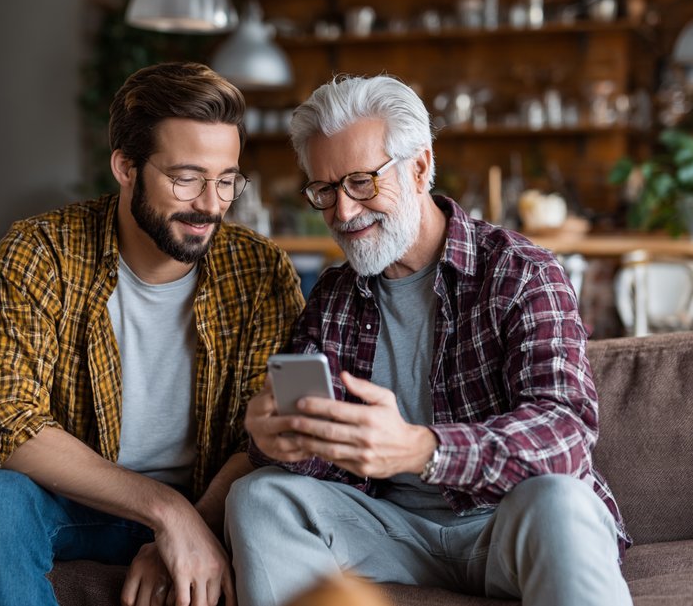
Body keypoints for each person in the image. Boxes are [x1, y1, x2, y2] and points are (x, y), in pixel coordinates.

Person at [225, 74, 633, 606]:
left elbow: (565, 433)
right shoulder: (333, 295)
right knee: (258, 497)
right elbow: (331, 461)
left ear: (418, 166)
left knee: (561, 499)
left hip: (507, 523)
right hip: (391, 532)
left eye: (362, 182)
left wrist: (424, 450)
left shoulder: (521, 272)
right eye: (324, 190)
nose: (343, 213)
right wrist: (278, 440)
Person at [0, 62, 304, 606]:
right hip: (82, 501)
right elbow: (1, 419)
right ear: (126, 166)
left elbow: (269, 435)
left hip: (216, 502)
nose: (211, 204)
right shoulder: (41, 252)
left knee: (269, 499)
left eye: (226, 179)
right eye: (186, 177)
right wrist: (165, 511)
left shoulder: (260, 273)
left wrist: (194, 521)